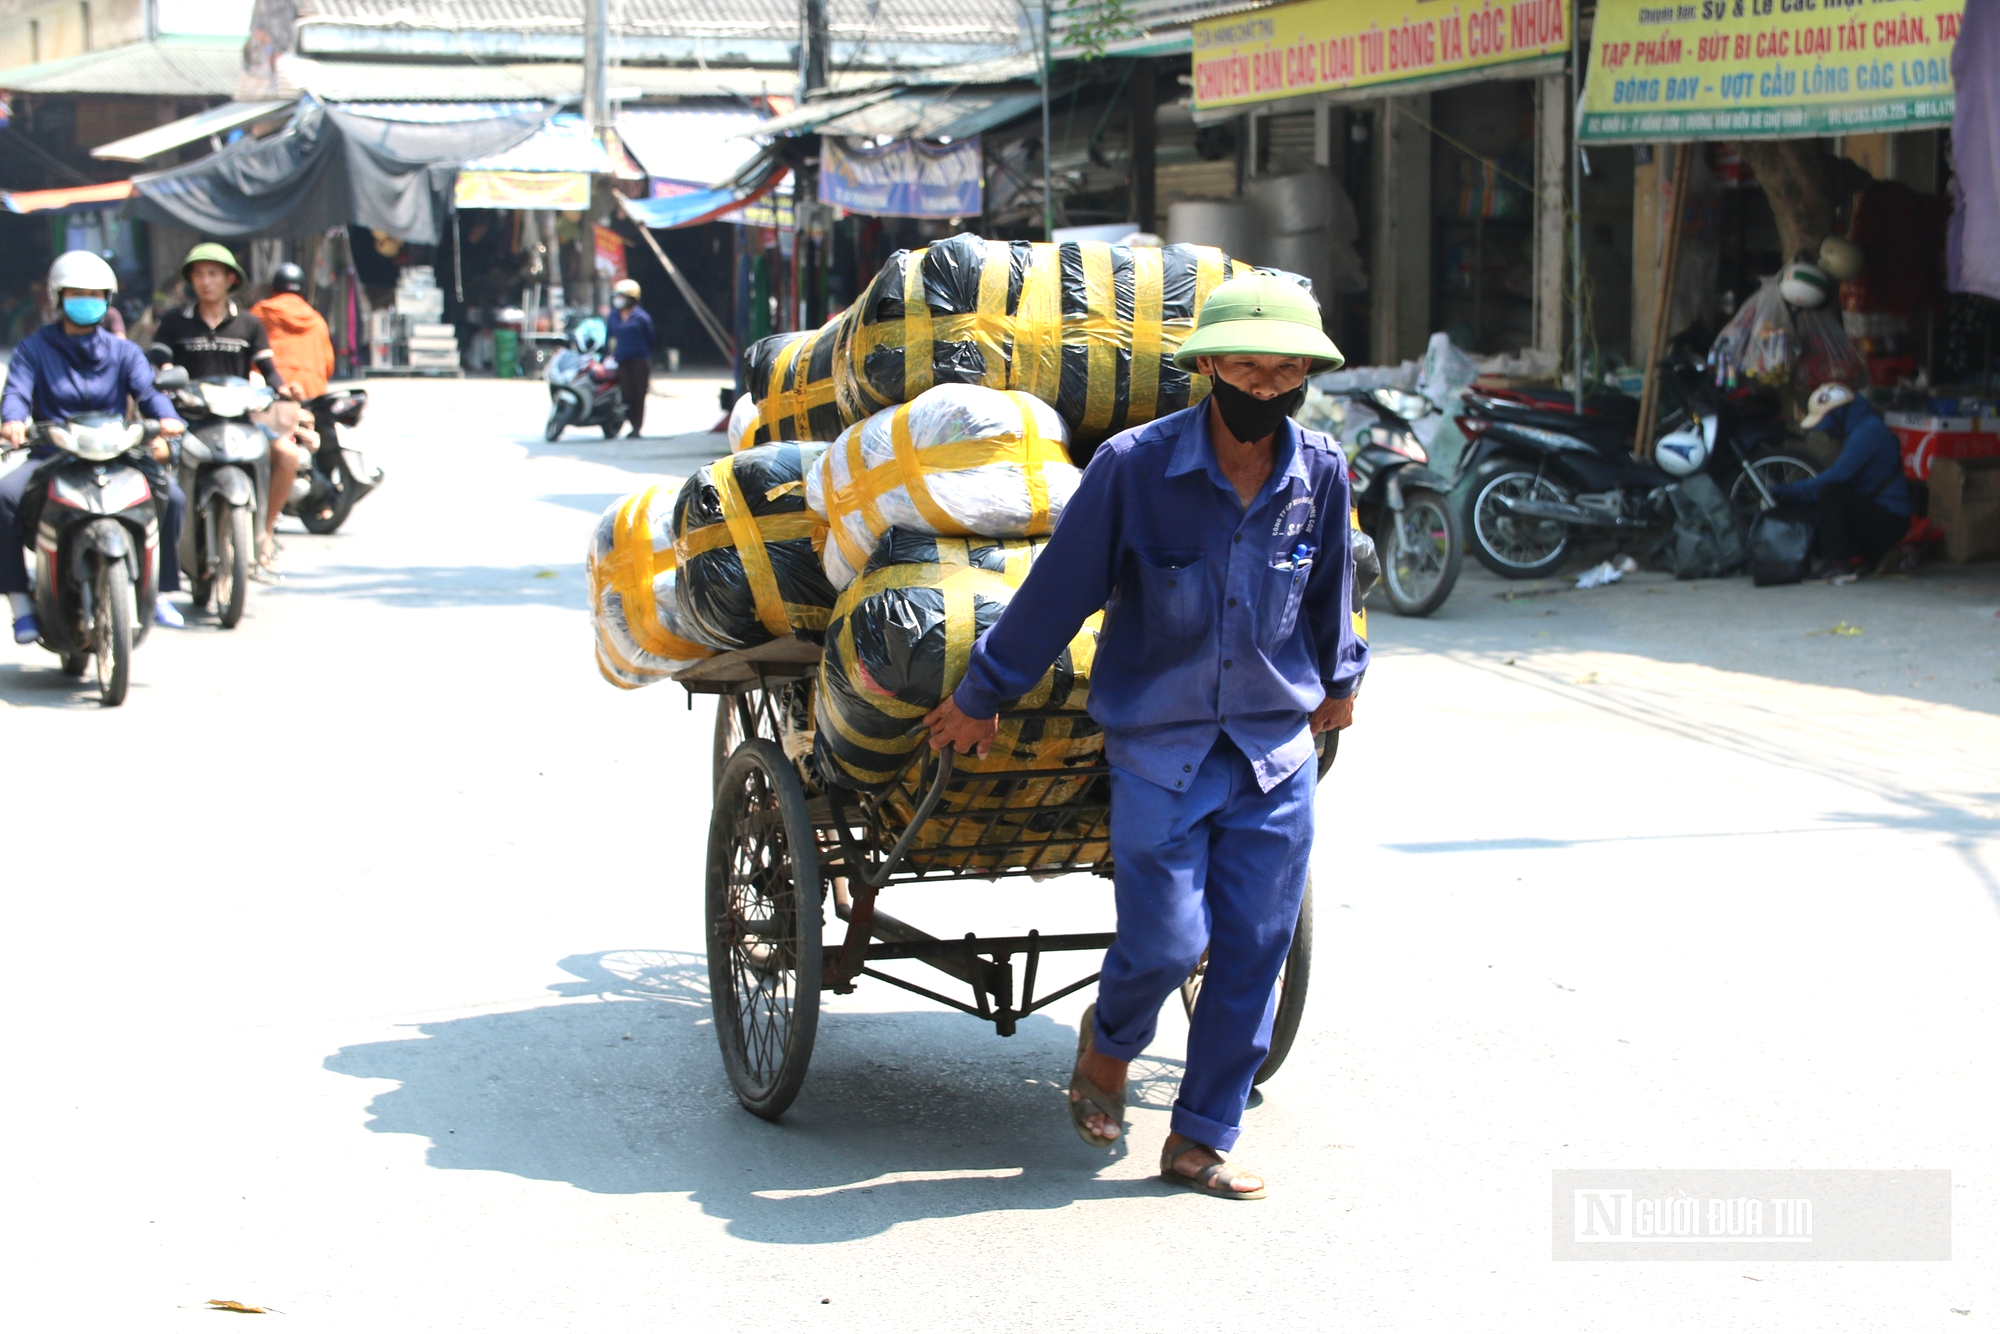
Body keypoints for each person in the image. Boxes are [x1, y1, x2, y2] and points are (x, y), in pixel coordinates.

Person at [924, 273, 1366, 1200]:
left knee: (1254, 946)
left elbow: (1332, 590)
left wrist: (1343, 678)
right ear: (1208, 368)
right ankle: (1109, 1047)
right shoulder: (1134, 468)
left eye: (1286, 373)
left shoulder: (1319, 470)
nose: (1266, 388)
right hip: (1159, 747)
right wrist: (983, 690)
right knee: (1167, 944)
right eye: (1246, 369)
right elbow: (1058, 592)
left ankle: (1201, 1138)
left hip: (1272, 750)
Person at [1, 251, 186, 641]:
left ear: (108, 300)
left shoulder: (124, 351)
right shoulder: (34, 349)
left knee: (173, 496)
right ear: (59, 297)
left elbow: (149, 392)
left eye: (96, 293)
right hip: (54, 454)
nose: (87, 299)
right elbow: (17, 390)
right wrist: (13, 421)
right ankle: (19, 599)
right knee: (3, 496)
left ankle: (161, 591)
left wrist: (168, 419)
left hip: (116, 453)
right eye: (77, 292)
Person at [151, 243, 302, 573]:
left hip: (240, 421)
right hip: (188, 421)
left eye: (213, 274)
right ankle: (155, 543)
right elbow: (158, 363)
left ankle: (265, 531)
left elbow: (269, 369)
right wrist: (160, 378)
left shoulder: (249, 324)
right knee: (153, 456)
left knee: (289, 456)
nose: (206, 281)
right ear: (191, 280)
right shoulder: (175, 322)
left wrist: (284, 389)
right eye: (199, 274)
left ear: (230, 279)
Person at [1771, 382, 1913, 577]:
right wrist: (1802, 499)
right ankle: (1866, 556)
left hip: (1890, 519)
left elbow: (1838, 476)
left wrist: (1796, 488)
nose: (1828, 433)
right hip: (1877, 514)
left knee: (1830, 494)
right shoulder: (1858, 429)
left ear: (1838, 414)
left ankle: (1838, 563)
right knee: (1821, 505)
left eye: (1827, 426)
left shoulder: (1868, 431)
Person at [251, 262, 336, 521]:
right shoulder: (316, 320)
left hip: (274, 393)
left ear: (273, 288)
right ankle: (324, 501)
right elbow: (328, 363)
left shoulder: (260, 313)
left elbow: (249, 355)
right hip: (311, 393)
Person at [604, 278, 655, 438]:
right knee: (626, 394)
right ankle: (624, 422)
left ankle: (636, 428)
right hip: (621, 361)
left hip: (640, 361)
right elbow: (609, 338)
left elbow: (651, 339)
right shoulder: (613, 316)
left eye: (623, 296)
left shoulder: (642, 317)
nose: (619, 300)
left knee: (639, 395)